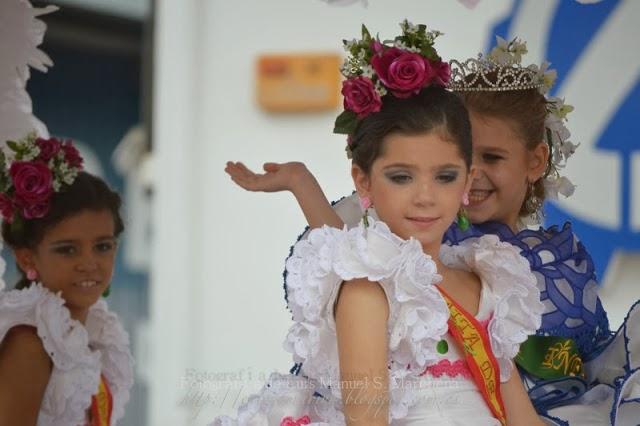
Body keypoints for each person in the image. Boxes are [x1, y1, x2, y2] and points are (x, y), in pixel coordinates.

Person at [226, 35, 640, 424]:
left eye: (444, 176)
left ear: (465, 180)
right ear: (363, 181)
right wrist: (302, 184)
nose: (425, 197)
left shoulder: (492, 281)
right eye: (402, 177)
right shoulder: (368, 293)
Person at [0, 134, 133, 425]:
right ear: (27, 258)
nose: (89, 263)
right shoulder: (29, 344)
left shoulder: (85, 334)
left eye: (103, 246)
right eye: (67, 250)